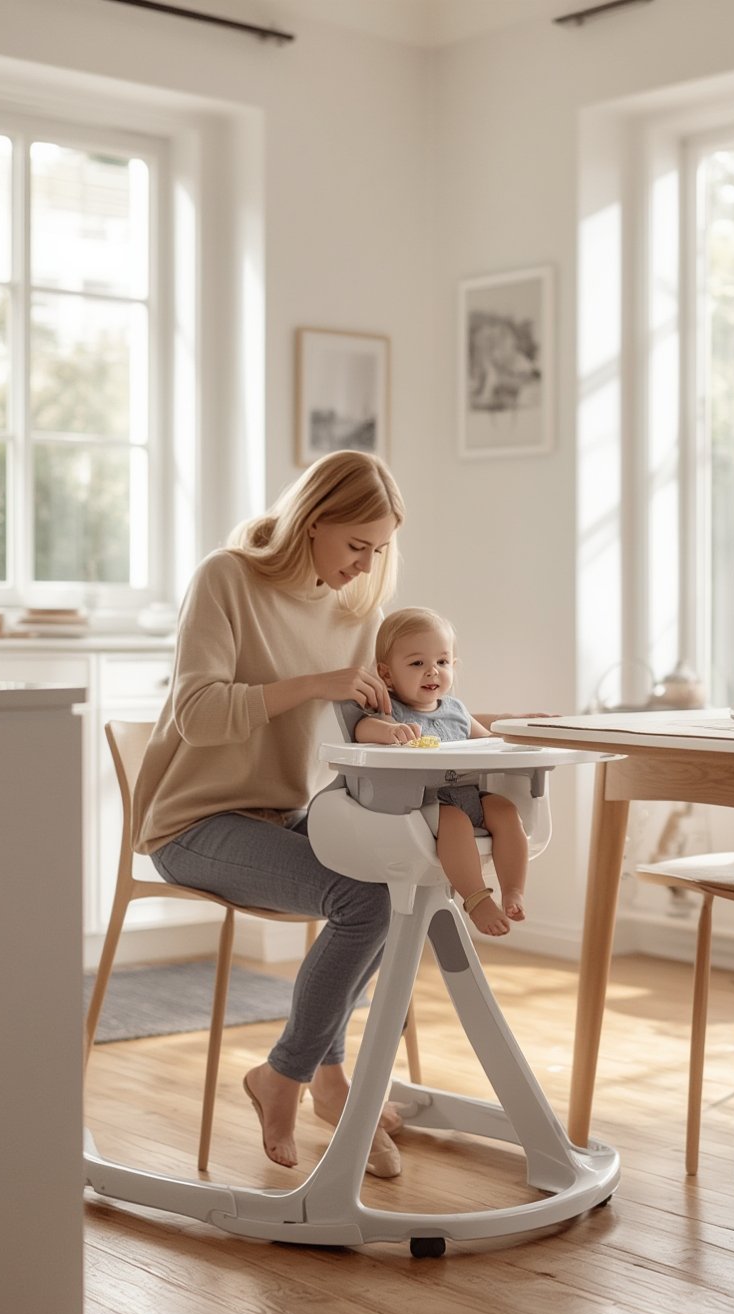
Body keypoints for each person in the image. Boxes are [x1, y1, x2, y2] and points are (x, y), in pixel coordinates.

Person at [131, 450, 407, 1178]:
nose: (364, 565)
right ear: (313, 523)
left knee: (398, 879)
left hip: (284, 814)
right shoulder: (227, 578)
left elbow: (367, 717)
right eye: (355, 545)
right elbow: (197, 713)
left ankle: (316, 1072)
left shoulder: (358, 610)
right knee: (365, 897)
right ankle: (293, 1075)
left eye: (378, 550)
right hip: (194, 822)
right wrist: (314, 681)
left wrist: (435, 722)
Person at [354, 607, 529, 938]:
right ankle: (476, 898)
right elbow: (362, 729)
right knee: (456, 824)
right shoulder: (389, 710)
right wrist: (388, 732)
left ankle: (514, 890)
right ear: (387, 674)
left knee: (506, 812)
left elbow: (489, 741)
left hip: (468, 793)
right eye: (418, 663)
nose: (432, 671)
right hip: (421, 805)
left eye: (443, 662)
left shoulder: (457, 711)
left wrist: (520, 738)